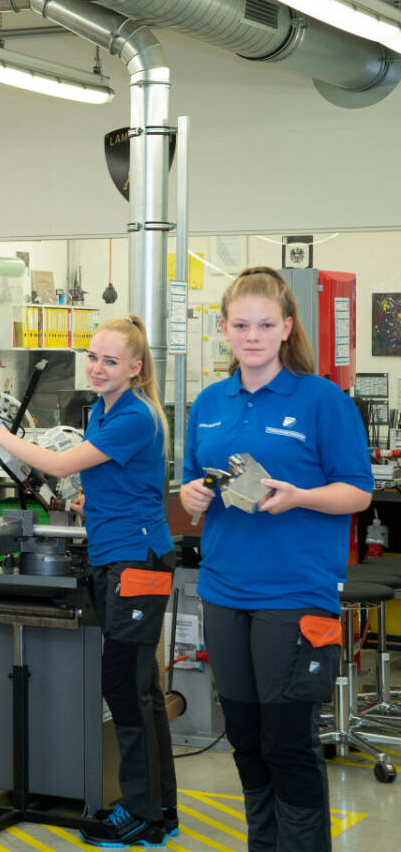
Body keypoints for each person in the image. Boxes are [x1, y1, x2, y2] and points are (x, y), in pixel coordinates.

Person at [0, 315, 180, 847]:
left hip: (136, 563)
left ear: (135, 367)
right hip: (120, 555)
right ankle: (159, 808)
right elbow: (110, 477)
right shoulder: (105, 411)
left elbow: (59, 463)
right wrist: (95, 501)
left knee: (126, 689)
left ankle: (144, 814)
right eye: (93, 357)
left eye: (111, 361)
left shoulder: (134, 415)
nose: (98, 367)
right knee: (141, 690)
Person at [180, 266, 371, 852]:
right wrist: (191, 494)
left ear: (286, 328)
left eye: (266, 324)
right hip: (223, 589)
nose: (253, 335)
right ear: (224, 330)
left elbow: (358, 491)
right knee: (245, 738)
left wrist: (301, 497)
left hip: (294, 594)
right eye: (241, 324)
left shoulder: (323, 401)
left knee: (289, 744)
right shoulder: (209, 402)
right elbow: (194, 480)